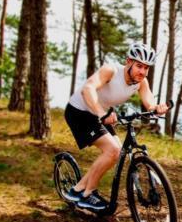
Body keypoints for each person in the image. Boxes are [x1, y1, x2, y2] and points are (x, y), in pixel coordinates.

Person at [63, 42, 169, 211]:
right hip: (80, 112)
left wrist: (156, 108)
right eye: (139, 66)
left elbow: (149, 101)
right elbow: (88, 89)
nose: (142, 71)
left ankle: (76, 191)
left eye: (146, 68)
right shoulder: (111, 70)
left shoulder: (141, 82)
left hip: (101, 114)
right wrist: (101, 114)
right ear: (128, 61)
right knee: (112, 151)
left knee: (116, 152)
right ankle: (87, 195)